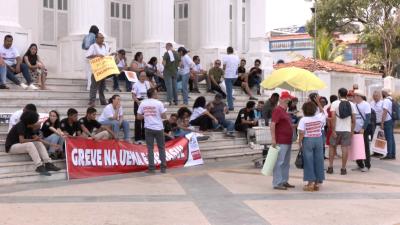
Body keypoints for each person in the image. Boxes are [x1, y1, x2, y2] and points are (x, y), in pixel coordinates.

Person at [5, 111, 61, 176]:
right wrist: (33, 139)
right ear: (30, 121)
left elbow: (38, 139)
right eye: (35, 121)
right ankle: (39, 166)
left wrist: (52, 145)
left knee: (38, 143)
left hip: (20, 145)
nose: (36, 123)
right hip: (12, 147)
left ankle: (48, 163)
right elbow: (21, 140)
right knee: (30, 144)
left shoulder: (29, 127)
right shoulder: (21, 125)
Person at [137, 88, 167, 173]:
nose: (157, 94)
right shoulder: (159, 103)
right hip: (159, 128)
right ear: (153, 94)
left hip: (148, 128)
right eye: (156, 93)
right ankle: (163, 167)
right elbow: (164, 116)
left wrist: (146, 115)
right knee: (161, 147)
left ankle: (151, 168)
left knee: (150, 148)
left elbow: (138, 117)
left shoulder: (143, 103)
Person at [298, 101, 326, 192]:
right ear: (314, 110)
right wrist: (318, 103)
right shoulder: (319, 118)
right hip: (318, 139)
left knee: (308, 161)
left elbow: (301, 133)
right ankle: (317, 183)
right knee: (318, 160)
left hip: (308, 140)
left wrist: (299, 142)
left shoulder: (303, 120)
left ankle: (310, 183)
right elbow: (323, 113)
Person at [327, 88, 356, 175]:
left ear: (339, 94)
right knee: (344, 148)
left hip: (336, 129)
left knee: (332, 147)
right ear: (346, 94)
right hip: (346, 129)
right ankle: (343, 169)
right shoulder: (351, 104)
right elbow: (354, 120)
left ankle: (330, 167)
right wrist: (352, 131)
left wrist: (333, 130)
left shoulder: (334, 103)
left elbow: (332, 118)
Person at [270, 91, 295, 190]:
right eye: (289, 99)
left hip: (287, 140)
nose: (290, 101)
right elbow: (273, 124)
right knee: (280, 162)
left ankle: (284, 180)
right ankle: (277, 182)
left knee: (285, 162)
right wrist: (273, 139)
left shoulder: (284, 111)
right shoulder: (278, 110)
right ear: (285, 99)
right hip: (281, 140)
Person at [86, 33, 111, 107]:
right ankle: (92, 101)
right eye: (101, 38)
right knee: (94, 86)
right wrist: (97, 55)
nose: (102, 39)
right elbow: (87, 55)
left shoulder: (104, 46)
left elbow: (106, 55)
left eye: (103, 38)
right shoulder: (93, 46)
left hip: (103, 69)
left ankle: (102, 101)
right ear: (96, 39)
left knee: (102, 87)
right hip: (96, 70)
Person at [132, 71, 153, 144]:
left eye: (144, 76)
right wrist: (138, 102)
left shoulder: (147, 83)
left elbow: (151, 92)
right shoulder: (135, 84)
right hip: (139, 102)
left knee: (146, 120)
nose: (143, 77)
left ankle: (145, 136)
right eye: (142, 76)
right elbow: (133, 96)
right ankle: (138, 138)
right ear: (139, 76)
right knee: (138, 120)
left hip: (146, 101)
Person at [353, 90, 371, 171]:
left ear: (359, 96)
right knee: (357, 147)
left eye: (355, 96)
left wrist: (363, 128)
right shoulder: (354, 105)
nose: (354, 97)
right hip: (355, 129)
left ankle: (367, 165)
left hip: (363, 130)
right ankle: (360, 164)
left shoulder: (366, 104)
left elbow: (367, 118)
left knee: (365, 147)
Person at [82, 25, 99, 91]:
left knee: (88, 72)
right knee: (93, 72)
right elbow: (96, 46)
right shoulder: (94, 36)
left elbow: (83, 46)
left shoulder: (85, 37)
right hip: (92, 55)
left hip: (86, 55)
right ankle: (91, 87)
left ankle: (88, 87)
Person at [222, 47, 240, 111]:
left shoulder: (226, 57)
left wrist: (223, 74)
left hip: (228, 76)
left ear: (227, 51)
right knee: (230, 90)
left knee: (228, 91)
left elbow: (224, 67)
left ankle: (231, 106)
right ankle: (230, 101)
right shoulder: (237, 57)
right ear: (232, 51)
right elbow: (237, 66)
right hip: (235, 76)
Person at [381, 89, 396, 160]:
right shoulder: (391, 99)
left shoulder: (386, 100)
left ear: (384, 93)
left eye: (382, 92)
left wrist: (382, 122)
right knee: (391, 138)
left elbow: (385, 112)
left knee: (388, 138)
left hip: (387, 120)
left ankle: (389, 154)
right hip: (391, 120)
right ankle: (393, 154)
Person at [370, 90, 383, 157]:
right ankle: (375, 152)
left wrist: (382, 123)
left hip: (379, 122)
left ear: (380, 96)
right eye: (374, 96)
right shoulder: (371, 103)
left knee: (380, 138)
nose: (375, 97)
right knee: (373, 137)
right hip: (372, 122)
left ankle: (380, 152)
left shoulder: (382, 103)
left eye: (376, 96)